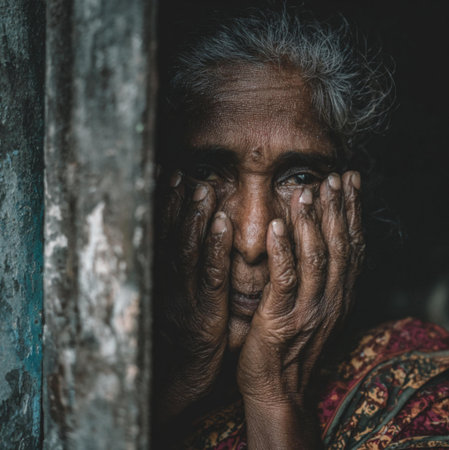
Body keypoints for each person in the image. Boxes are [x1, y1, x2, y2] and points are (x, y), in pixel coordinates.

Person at [153, 7, 449, 449]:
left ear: (350, 207)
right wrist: (177, 386)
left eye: (300, 178)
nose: (252, 241)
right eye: (207, 172)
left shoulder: (420, 387)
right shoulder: (45, 378)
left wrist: (276, 397)